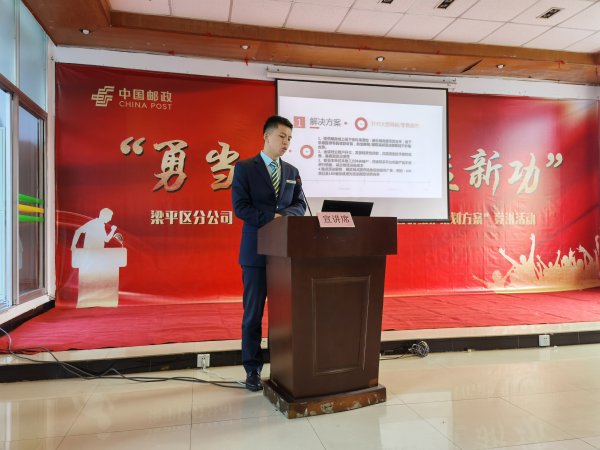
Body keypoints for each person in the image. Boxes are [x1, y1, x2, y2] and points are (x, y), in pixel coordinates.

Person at [231, 115, 306, 391]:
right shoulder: (245, 168)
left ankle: (283, 367)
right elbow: (240, 207)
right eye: (282, 136)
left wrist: (283, 216)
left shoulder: (292, 171)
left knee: (284, 315)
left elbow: (299, 204)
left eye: (290, 138)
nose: (286, 142)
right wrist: (271, 218)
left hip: (284, 256)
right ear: (266, 136)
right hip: (255, 254)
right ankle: (252, 370)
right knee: (253, 315)